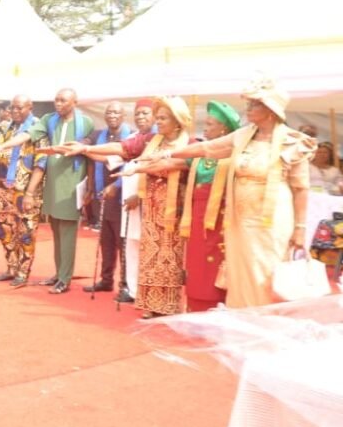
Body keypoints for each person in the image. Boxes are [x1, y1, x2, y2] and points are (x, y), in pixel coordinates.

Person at [158, 78, 315, 308]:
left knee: (265, 271)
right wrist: (168, 154)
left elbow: (301, 189)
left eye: (255, 104)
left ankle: (265, 321)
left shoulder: (292, 142)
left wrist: (300, 228)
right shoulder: (244, 135)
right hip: (240, 220)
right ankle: (243, 320)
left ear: (270, 110)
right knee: (240, 272)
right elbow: (206, 147)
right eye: (249, 103)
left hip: (271, 222)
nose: (248, 108)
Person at [63, 96, 194, 318]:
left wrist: (143, 168)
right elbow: (122, 147)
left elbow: (183, 164)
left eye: (163, 118)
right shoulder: (151, 140)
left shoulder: (190, 144)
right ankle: (151, 304)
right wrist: (85, 148)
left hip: (174, 211)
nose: (158, 121)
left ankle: (169, 305)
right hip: (150, 208)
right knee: (150, 255)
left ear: (177, 121)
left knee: (170, 258)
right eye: (158, 117)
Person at [0, 88, 94, 293]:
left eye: (63, 100)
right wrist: (3, 146)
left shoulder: (86, 122)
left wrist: (90, 186)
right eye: (56, 100)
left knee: (67, 232)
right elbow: (27, 134)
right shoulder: (49, 119)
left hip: (71, 183)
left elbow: (90, 154)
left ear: (75, 102)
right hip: (52, 183)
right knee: (56, 230)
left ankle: (65, 278)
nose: (58, 103)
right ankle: (59, 273)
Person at [0, 95, 46, 288]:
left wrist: (30, 193)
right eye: (12, 107)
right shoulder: (4, 127)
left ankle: (23, 272)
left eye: (19, 107)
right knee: (5, 231)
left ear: (30, 107)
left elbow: (41, 163)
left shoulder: (39, 128)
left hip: (26, 191)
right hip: (4, 188)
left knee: (26, 233)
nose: (14, 111)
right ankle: (11, 268)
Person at [178, 101, 241, 311]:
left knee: (215, 260)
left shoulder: (235, 155)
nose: (204, 129)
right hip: (197, 215)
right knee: (196, 259)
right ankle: (195, 305)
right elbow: (175, 162)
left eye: (209, 124)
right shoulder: (200, 153)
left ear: (224, 129)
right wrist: (143, 164)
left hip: (221, 218)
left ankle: (216, 304)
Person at [83, 102, 132, 293]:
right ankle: (106, 279)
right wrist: (90, 188)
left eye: (116, 112)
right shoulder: (98, 136)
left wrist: (116, 185)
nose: (112, 115)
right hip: (101, 196)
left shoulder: (132, 136)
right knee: (106, 241)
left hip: (122, 197)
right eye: (109, 112)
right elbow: (87, 153)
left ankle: (126, 284)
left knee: (123, 242)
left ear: (123, 116)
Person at [118, 98, 155, 304]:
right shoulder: (131, 139)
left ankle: (147, 289)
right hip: (128, 204)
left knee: (146, 246)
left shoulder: (157, 140)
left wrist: (139, 196)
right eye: (138, 114)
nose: (141, 117)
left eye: (145, 113)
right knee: (131, 246)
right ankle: (133, 290)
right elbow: (114, 160)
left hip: (147, 203)